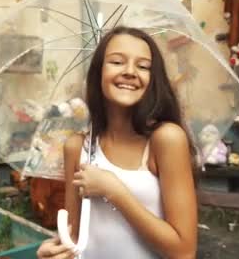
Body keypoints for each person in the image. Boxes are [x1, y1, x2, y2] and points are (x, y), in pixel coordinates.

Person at [37, 26, 198, 259]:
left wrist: (115, 191)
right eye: (117, 62)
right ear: (98, 72)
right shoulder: (77, 148)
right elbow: (73, 240)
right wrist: (54, 253)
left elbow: (184, 251)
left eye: (143, 66)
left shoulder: (165, 139)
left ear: (153, 79)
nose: (130, 72)